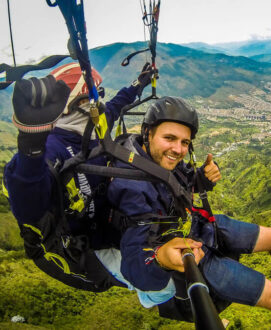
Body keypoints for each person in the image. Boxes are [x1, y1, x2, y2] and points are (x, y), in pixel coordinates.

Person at [107, 96, 271, 329]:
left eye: (184, 142)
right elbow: (134, 264)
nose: (178, 149)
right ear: (148, 134)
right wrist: (162, 260)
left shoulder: (155, 159)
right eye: (170, 138)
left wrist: (203, 178)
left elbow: (182, 183)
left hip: (197, 225)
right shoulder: (131, 186)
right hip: (193, 252)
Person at [3, 62, 157, 291]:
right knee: (160, 281)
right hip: (83, 248)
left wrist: (138, 83)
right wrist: (31, 145)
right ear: (72, 106)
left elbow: (117, 105)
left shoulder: (93, 129)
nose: (99, 106)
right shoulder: (53, 147)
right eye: (90, 100)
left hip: (104, 226)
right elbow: (29, 206)